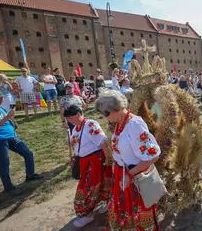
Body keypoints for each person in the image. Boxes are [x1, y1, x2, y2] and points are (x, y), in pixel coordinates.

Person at [95, 91, 161, 230]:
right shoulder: (120, 122)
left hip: (135, 178)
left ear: (116, 109)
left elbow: (153, 156)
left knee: (137, 215)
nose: (106, 118)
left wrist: (130, 174)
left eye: (106, 114)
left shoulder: (134, 125)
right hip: (122, 174)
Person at [0, 90, 43, 194]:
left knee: (28, 153)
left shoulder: (1, 109)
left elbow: (7, 121)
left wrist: (11, 122)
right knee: (4, 163)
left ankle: (30, 175)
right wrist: (8, 117)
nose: (2, 99)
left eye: (2, 97)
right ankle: (8, 187)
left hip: (12, 137)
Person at [64, 104, 112, 228]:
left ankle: (87, 215)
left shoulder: (90, 124)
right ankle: (103, 205)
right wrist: (75, 157)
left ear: (79, 114)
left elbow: (103, 142)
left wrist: (108, 158)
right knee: (99, 184)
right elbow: (78, 145)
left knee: (88, 188)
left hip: (96, 161)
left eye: (71, 117)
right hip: (85, 162)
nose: (70, 121)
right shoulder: (75, 129)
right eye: (68, 119)